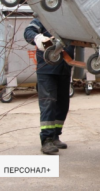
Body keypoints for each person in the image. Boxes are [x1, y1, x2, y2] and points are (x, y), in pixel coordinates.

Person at [24, 17, 74, 155]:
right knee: (48, 103)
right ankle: (46, 140)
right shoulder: (44, 17)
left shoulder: (71, 19)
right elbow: (28, 32)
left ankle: (55, 135)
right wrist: (40, 40)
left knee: (62, 104)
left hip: (65, 68)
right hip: (47, 69)